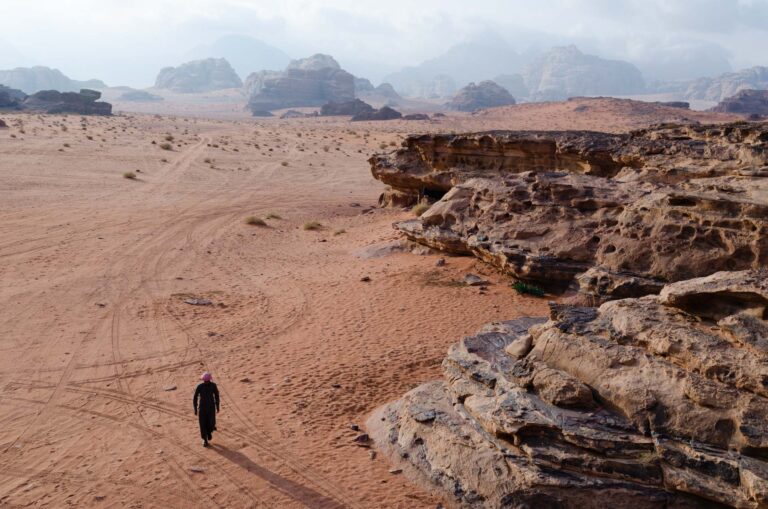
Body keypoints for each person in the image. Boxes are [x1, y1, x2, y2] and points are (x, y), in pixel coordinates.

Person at [193, 372, 220, 447]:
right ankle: (204, 440)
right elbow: (195, 398)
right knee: (202, 424)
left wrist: (217, 406)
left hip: (211, 408)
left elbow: (217, 396)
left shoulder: (213, 386)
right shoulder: (200, 387)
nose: (206, 382)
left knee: (211, 423)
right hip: (202, 408)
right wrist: (195, 408)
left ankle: (209, 432)